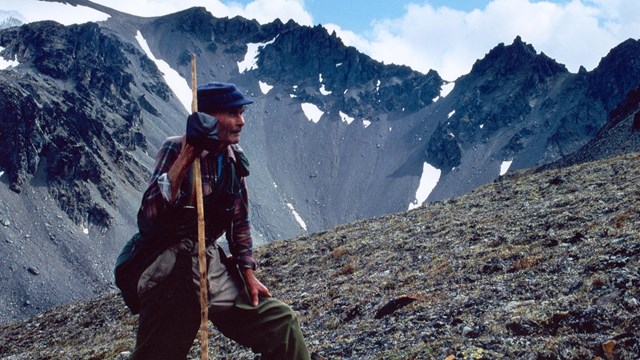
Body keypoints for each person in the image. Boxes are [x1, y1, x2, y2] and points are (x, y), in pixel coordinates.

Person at [131, 82, 310, 359]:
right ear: (208, 117)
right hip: (169, 269)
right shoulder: (175, 148)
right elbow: (149, 216)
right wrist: (188, 156)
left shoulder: (233, 160)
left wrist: (248, 275)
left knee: (281, 323)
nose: (241, 121)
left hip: (211, 265)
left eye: (241, 113)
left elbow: (240, 223)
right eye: (233, 114)